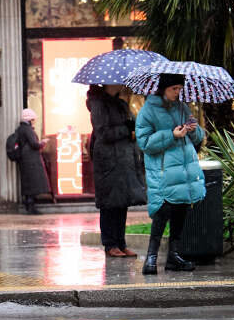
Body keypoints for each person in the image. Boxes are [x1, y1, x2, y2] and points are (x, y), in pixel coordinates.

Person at [136, 73, 206, 275]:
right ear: (163, 88)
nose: (177, 92)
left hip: (184, 172)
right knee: (161, 213)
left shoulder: (183, 108)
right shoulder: (147, 111)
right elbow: (145, 143)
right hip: (163, 171)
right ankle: (151, 258)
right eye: (173, 89)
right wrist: (171, 135)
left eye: (179, 88)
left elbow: (197, 138)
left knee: (181, 212)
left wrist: (193, 129)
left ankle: (173, 256)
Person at [87, 85, 147, 258]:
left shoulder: (121, 103)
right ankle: (110, 244)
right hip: (108, 161)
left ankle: (121, 243)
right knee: (109, 203)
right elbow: (103, 133)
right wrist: (126, 130)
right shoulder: (98, 104)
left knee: (122, 202)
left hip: (123, 160)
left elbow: (133, 124)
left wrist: (133, 125)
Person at [16, 108, 50, 215]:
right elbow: (34, 144)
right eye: (33, 119)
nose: (34, 121)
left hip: (25, 159)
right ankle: (31, 206)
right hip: (31, 159)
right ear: (30, 119)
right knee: (33, 182)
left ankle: (29, 204)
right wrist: (43, 143)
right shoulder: (27, 129)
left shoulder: (21, 129)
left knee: (28, 182)